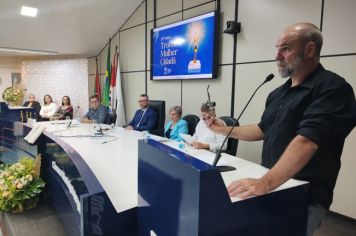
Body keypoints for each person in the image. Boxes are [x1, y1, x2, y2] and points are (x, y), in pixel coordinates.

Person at [206, 22, 356, 236]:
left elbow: (308, 140)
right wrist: (222, 130)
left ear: (310, 50)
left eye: (285, 48)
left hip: (304, 195)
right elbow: (263, 129)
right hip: (271, 186)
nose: (277, 56)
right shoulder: (277, 93)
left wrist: (265, 183)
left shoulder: (333, 89)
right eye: (277, 48)